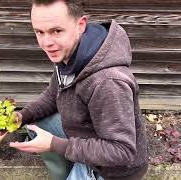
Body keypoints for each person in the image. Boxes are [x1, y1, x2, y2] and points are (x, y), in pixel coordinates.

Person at [9, 0, 148, 179]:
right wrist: (20, 117)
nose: (46, 42)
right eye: (39, 32)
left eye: (56, 31)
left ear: (81, 25)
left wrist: (55, 145)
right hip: (86, 136)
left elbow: (122, 151)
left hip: (111, 171)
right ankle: (67, 165)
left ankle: (78, 166)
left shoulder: (107, 82)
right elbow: (53, 96)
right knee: (34, 123)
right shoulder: (67, 54)